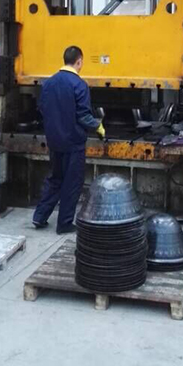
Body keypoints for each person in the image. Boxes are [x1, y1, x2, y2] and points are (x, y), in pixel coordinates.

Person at [33, 45, 105, 234]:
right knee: (72, 183)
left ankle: (39, 216)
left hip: (54, 142)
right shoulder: (79, 85)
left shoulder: (48, 83)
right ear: (79, 61)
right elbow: (84, 116)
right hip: (73, 144)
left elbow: (42, 109)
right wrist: (98, 126)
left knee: (55, 179)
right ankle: (64, 224)